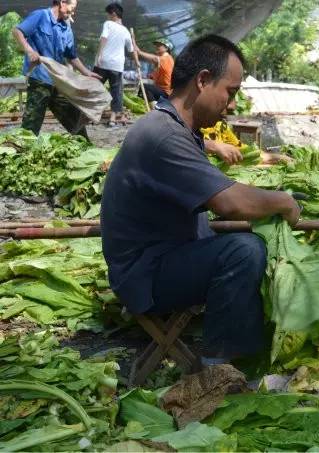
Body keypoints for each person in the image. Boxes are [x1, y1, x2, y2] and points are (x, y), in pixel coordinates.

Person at [100, 34, 301, 365]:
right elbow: (229, 202)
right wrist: (284, 201)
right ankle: (220, 368)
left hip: (160, 257)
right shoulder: (163, 134)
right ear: (203, 80)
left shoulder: (173, 127)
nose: (232, 104)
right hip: (144, 275)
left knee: (239, 241)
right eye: (230, 92)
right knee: (244, 251)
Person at [12, 0, 101, 137]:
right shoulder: (40, 16)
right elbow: (17, 31)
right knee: (32, 121)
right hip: (39, 79)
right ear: (62, 3)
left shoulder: (66, 27)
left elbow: (71, 56)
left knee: (73, 116)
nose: (73, 11)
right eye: (72, 7)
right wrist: (29, 51)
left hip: (58, 80)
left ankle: (85, 146)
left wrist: (87, 72)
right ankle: (23, 151)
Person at [94, 2, 134, 127]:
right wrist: (137, 62)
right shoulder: (126, 31)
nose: (107, 16)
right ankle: (112, 119)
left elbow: (103, 38)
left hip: (103, 63)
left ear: (114, 14)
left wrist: (99, 55)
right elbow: (131, 50)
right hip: (117, 66)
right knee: (116, 92)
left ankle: (93, 116)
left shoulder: (108, 24)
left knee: (95, 88)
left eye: (108, 14)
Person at [134, 37, 174, 103]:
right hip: (161, 91)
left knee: (144, 86)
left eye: (159, 45)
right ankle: (146, 104)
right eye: (156, 45)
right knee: (143, 87)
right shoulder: (162, 62)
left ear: (166, 48)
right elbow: (153, 77)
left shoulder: (166, 58)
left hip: (166, 93)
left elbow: (155, 59)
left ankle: (153, 106)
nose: (156, 47)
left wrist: (139, 52)